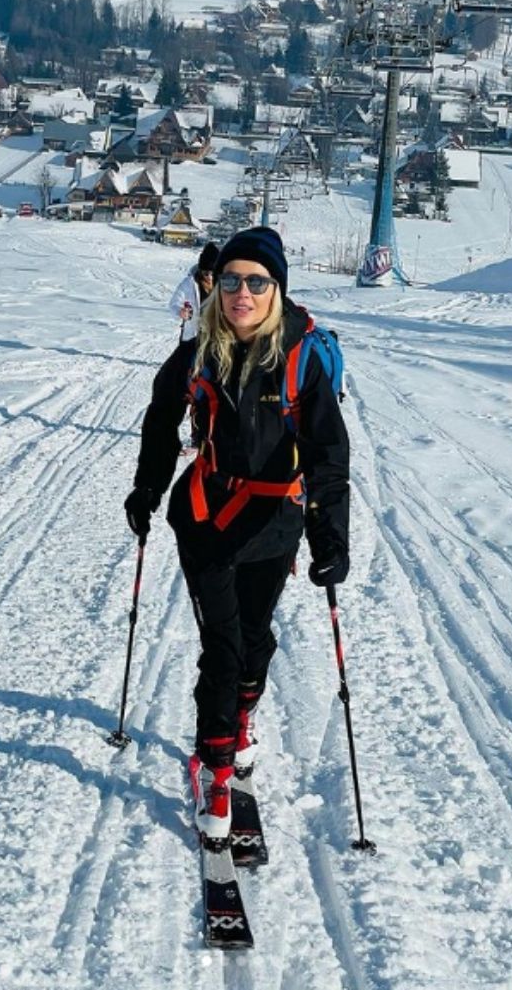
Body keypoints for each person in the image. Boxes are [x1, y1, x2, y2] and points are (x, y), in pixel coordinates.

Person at [125, 226, 349, 842]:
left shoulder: (302, 357)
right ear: (215, 286)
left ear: (276, 289)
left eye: (256, 281)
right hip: (206, 515)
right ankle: (215, 767)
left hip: (275, 522)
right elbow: (160, 418)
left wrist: (332, 539)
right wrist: (147, 488)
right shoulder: (198, 350)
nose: (241, 292)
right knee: (222, 649)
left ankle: (240, 720)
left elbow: (329, 454)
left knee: (255, 644)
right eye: (230, 280)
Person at [168, 241, 219, 343]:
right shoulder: (190, 283)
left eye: (213, 273)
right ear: (200, 271)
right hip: (193, 334)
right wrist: (180, 311)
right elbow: (174, 303)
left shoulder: (224, 285)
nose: (209, 277)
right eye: (206, 273)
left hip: (215, 335)